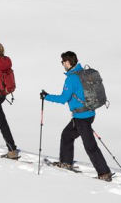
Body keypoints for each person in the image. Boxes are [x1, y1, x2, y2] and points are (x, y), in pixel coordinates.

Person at [41, 51, 113, 182]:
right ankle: (66, 162)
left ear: (67, 62)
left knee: (90, 145)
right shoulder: (82, 73)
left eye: (62, 62)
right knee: (67, 135)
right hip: (88, 114)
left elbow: (64, 99)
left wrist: (46, 96)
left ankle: (104, 172)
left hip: (81, 116)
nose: (62, 64)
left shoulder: (72, 78)